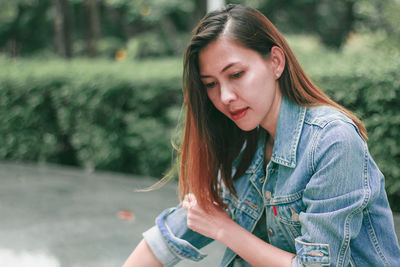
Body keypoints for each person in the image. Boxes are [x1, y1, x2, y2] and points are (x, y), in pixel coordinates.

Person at [123, 4, 400, 267]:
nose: (225, 97)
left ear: (276, 62)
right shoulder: (243, 146)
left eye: (236, 74)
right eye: (211, 84)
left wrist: (224, 229)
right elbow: (174, 234)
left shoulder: (331, 141)